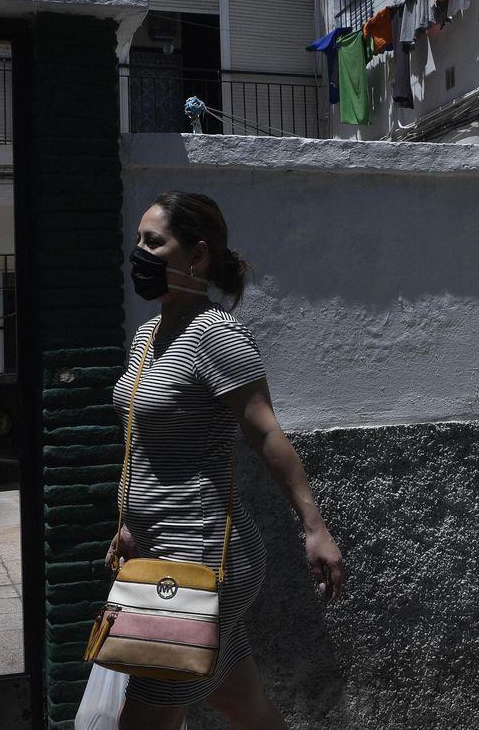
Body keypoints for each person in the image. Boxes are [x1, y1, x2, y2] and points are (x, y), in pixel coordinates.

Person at [109, 191, 344, 730]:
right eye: (137, 241)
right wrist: (128, 524)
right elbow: (141, 442)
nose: (138, 254)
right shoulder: (148, 335)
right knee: (240, 702)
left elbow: (266, 435)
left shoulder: (216, 334)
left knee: (144, 716)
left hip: (203, 555)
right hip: (159, 549)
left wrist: (314, 527)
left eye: (153, 242)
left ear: (197, 256)